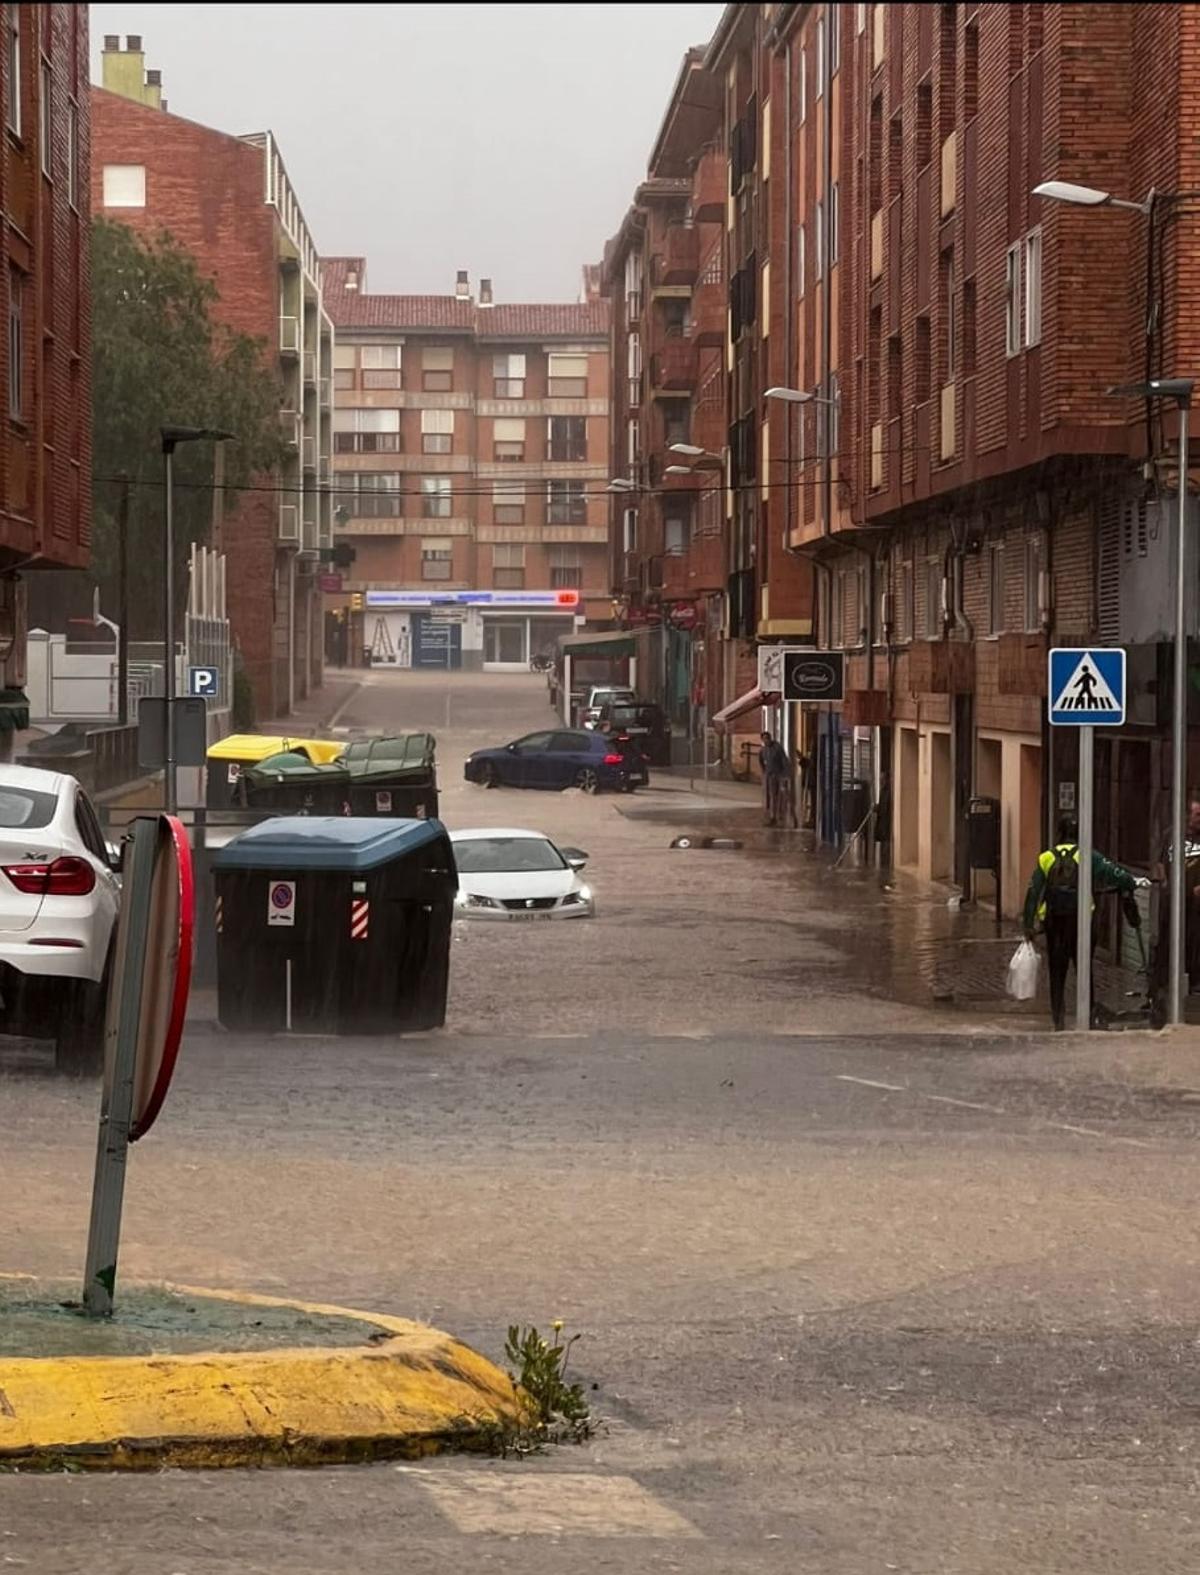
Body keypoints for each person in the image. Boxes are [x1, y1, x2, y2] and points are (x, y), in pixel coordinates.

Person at [1022, 814, 1138, 1031]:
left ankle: (1058, 1021)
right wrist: (1131, 882)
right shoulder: (1088, 856)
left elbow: (1032, 892)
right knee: (1084, 969)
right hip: (1082, 922)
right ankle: (1088, 1015)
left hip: (1054, 924)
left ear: (1059, 832)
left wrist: (1028, 924)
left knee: (1057, 972)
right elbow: (1117, 874)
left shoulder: (1046, 857)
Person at [1149, 789, 1200, 1011]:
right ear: (1187, 814)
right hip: (1172, 903)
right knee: (1165, 945)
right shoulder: (1172, 835)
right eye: (1197, 815)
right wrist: (1164, 881)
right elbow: (1159, 863)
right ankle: (1158, 990)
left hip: (1196, 905)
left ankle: (1195, 987)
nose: (1199, 820)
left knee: (1195, 944)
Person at [759, 732, 789, 826]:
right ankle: (773, 817)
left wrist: (785, 775)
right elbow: (760, 760)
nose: (766, 741)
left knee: (780, 796)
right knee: (771, 796)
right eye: (764, 739)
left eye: (767, 738)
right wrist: (764, 771)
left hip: (779, 775)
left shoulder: (777, 748)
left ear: (770, 738)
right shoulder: (763, 750)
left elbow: (784, 761)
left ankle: (780, 815)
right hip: (769, 775)